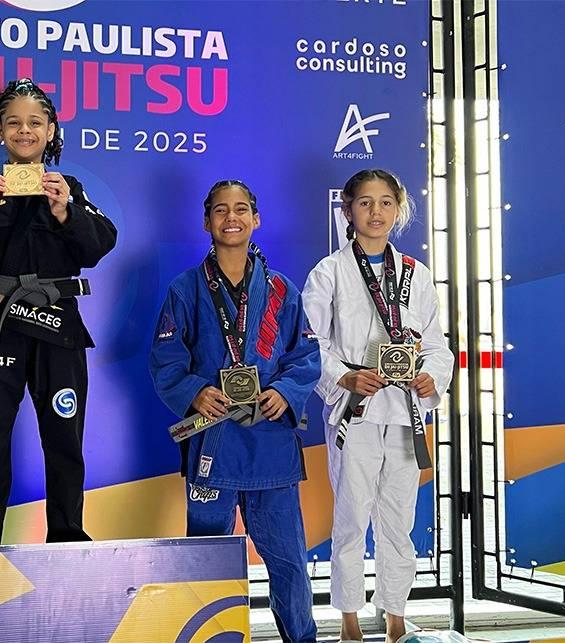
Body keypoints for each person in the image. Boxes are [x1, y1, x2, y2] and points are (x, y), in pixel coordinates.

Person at [0, 79, 117, 546]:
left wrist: (65, 212)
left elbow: (102, 243)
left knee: (64, 443)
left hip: (57, 327)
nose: (24, 130)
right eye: (13, 122)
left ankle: (67, 539)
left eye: (35, 122)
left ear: (51, 130)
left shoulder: (69, 188)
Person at [149, 179, 321, 643]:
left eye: (242, 209)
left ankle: (301, 640)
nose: (232, 217)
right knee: (207, 562)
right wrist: (194, 392)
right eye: (221, 210)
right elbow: (166, 360)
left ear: (256, 219)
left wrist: (286, 390)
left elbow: (305, 356)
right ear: (206, 221)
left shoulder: (282, 290)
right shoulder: (185, 289)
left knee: (288, 561)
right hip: (214, 441)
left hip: (270, 444)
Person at [301, 169, 453, 643]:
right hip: (356, 414)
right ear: (347, 210)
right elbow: (310, 345)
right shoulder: (329, 273)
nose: (376, 212)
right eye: (365, 203)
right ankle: (348, 622)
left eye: (386, 202)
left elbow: (436, 343)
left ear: (399, 209)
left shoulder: (415, 273)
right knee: (350, 518)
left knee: (399, 520)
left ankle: (396, 619)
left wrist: (431, 376)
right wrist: (345, 375)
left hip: (406, 414)